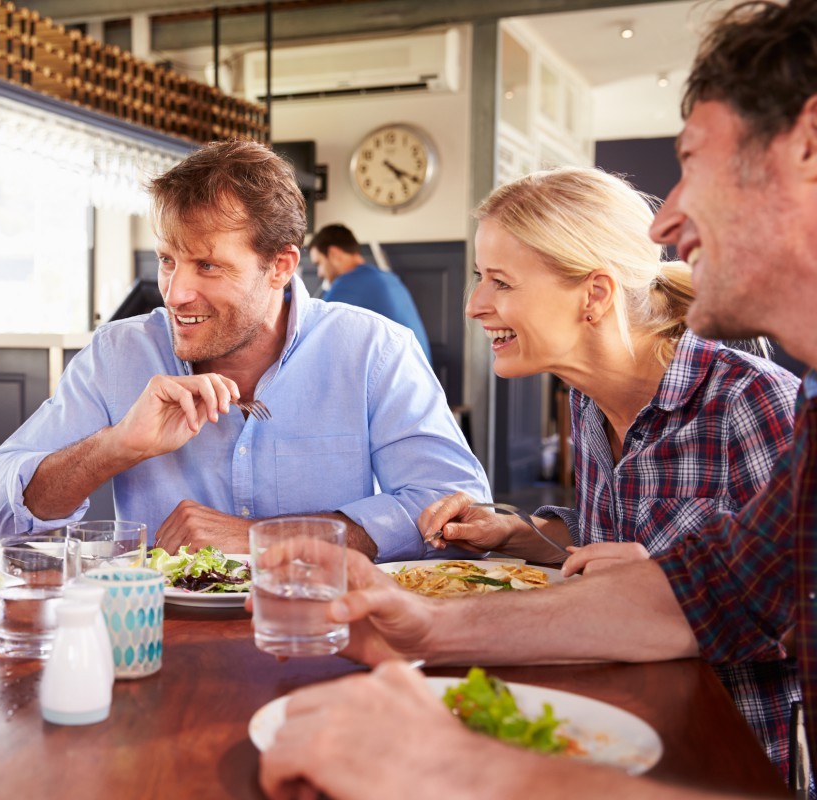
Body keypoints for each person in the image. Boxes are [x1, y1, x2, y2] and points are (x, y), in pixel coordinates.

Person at [258, 1, 817, 797]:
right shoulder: (604, 410)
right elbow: (710, 595)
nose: (668, 217)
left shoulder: (763, 404)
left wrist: (457, 765)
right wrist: (428, 625)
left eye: (693, 161)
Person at [419, 166, 800, 770]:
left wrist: (671, 584)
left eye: (500, 282)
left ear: (594, 294)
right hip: (606, 734)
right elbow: (617, 544)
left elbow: (796, 605)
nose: (473, 306)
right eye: (477, 278)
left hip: (726, 760)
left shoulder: (752, 403)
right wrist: (522, 534)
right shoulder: (587, 399)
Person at [0, 140, 489, 561]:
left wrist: (264, 538)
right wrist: (115, 447)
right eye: (168, 260)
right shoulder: (118, 352)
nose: (175, 294)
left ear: (282, 267)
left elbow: (458, 510)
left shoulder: (373, 351)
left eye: (208, 266)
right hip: (160, 645)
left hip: (326, 640)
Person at [308, 224, 432, 362]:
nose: (320, 273)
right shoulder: (388, 279)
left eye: (319, 263)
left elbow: (314, 336)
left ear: (334, 254)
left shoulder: (348, 285)